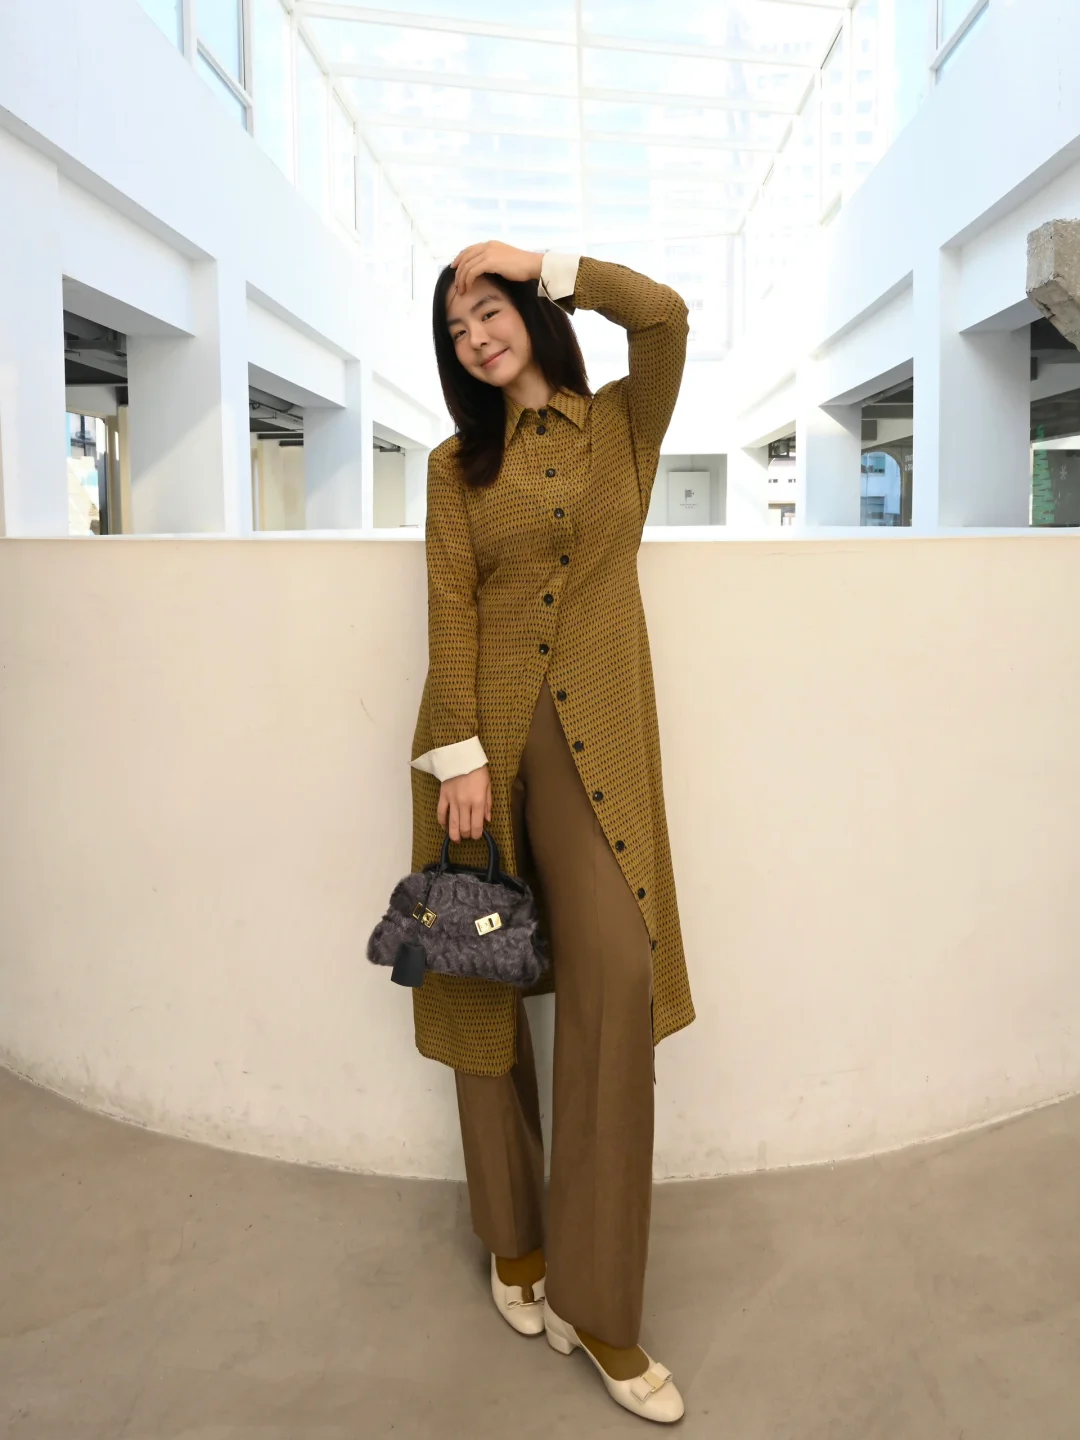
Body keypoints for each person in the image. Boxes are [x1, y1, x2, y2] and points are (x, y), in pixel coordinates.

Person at [408, 241, 696, 1423]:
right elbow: (449, 608)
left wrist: (550, 260)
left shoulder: (621, 426)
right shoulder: (454, 468)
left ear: (529, 308)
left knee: (613, 979)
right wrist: (461, 756)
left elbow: (665, 316)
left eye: (490, 309)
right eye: (456, 328)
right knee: (482, 989)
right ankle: (514, 1245)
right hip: (479, 756)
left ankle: (599, 1306)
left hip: (595, 747)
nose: (476, 336)